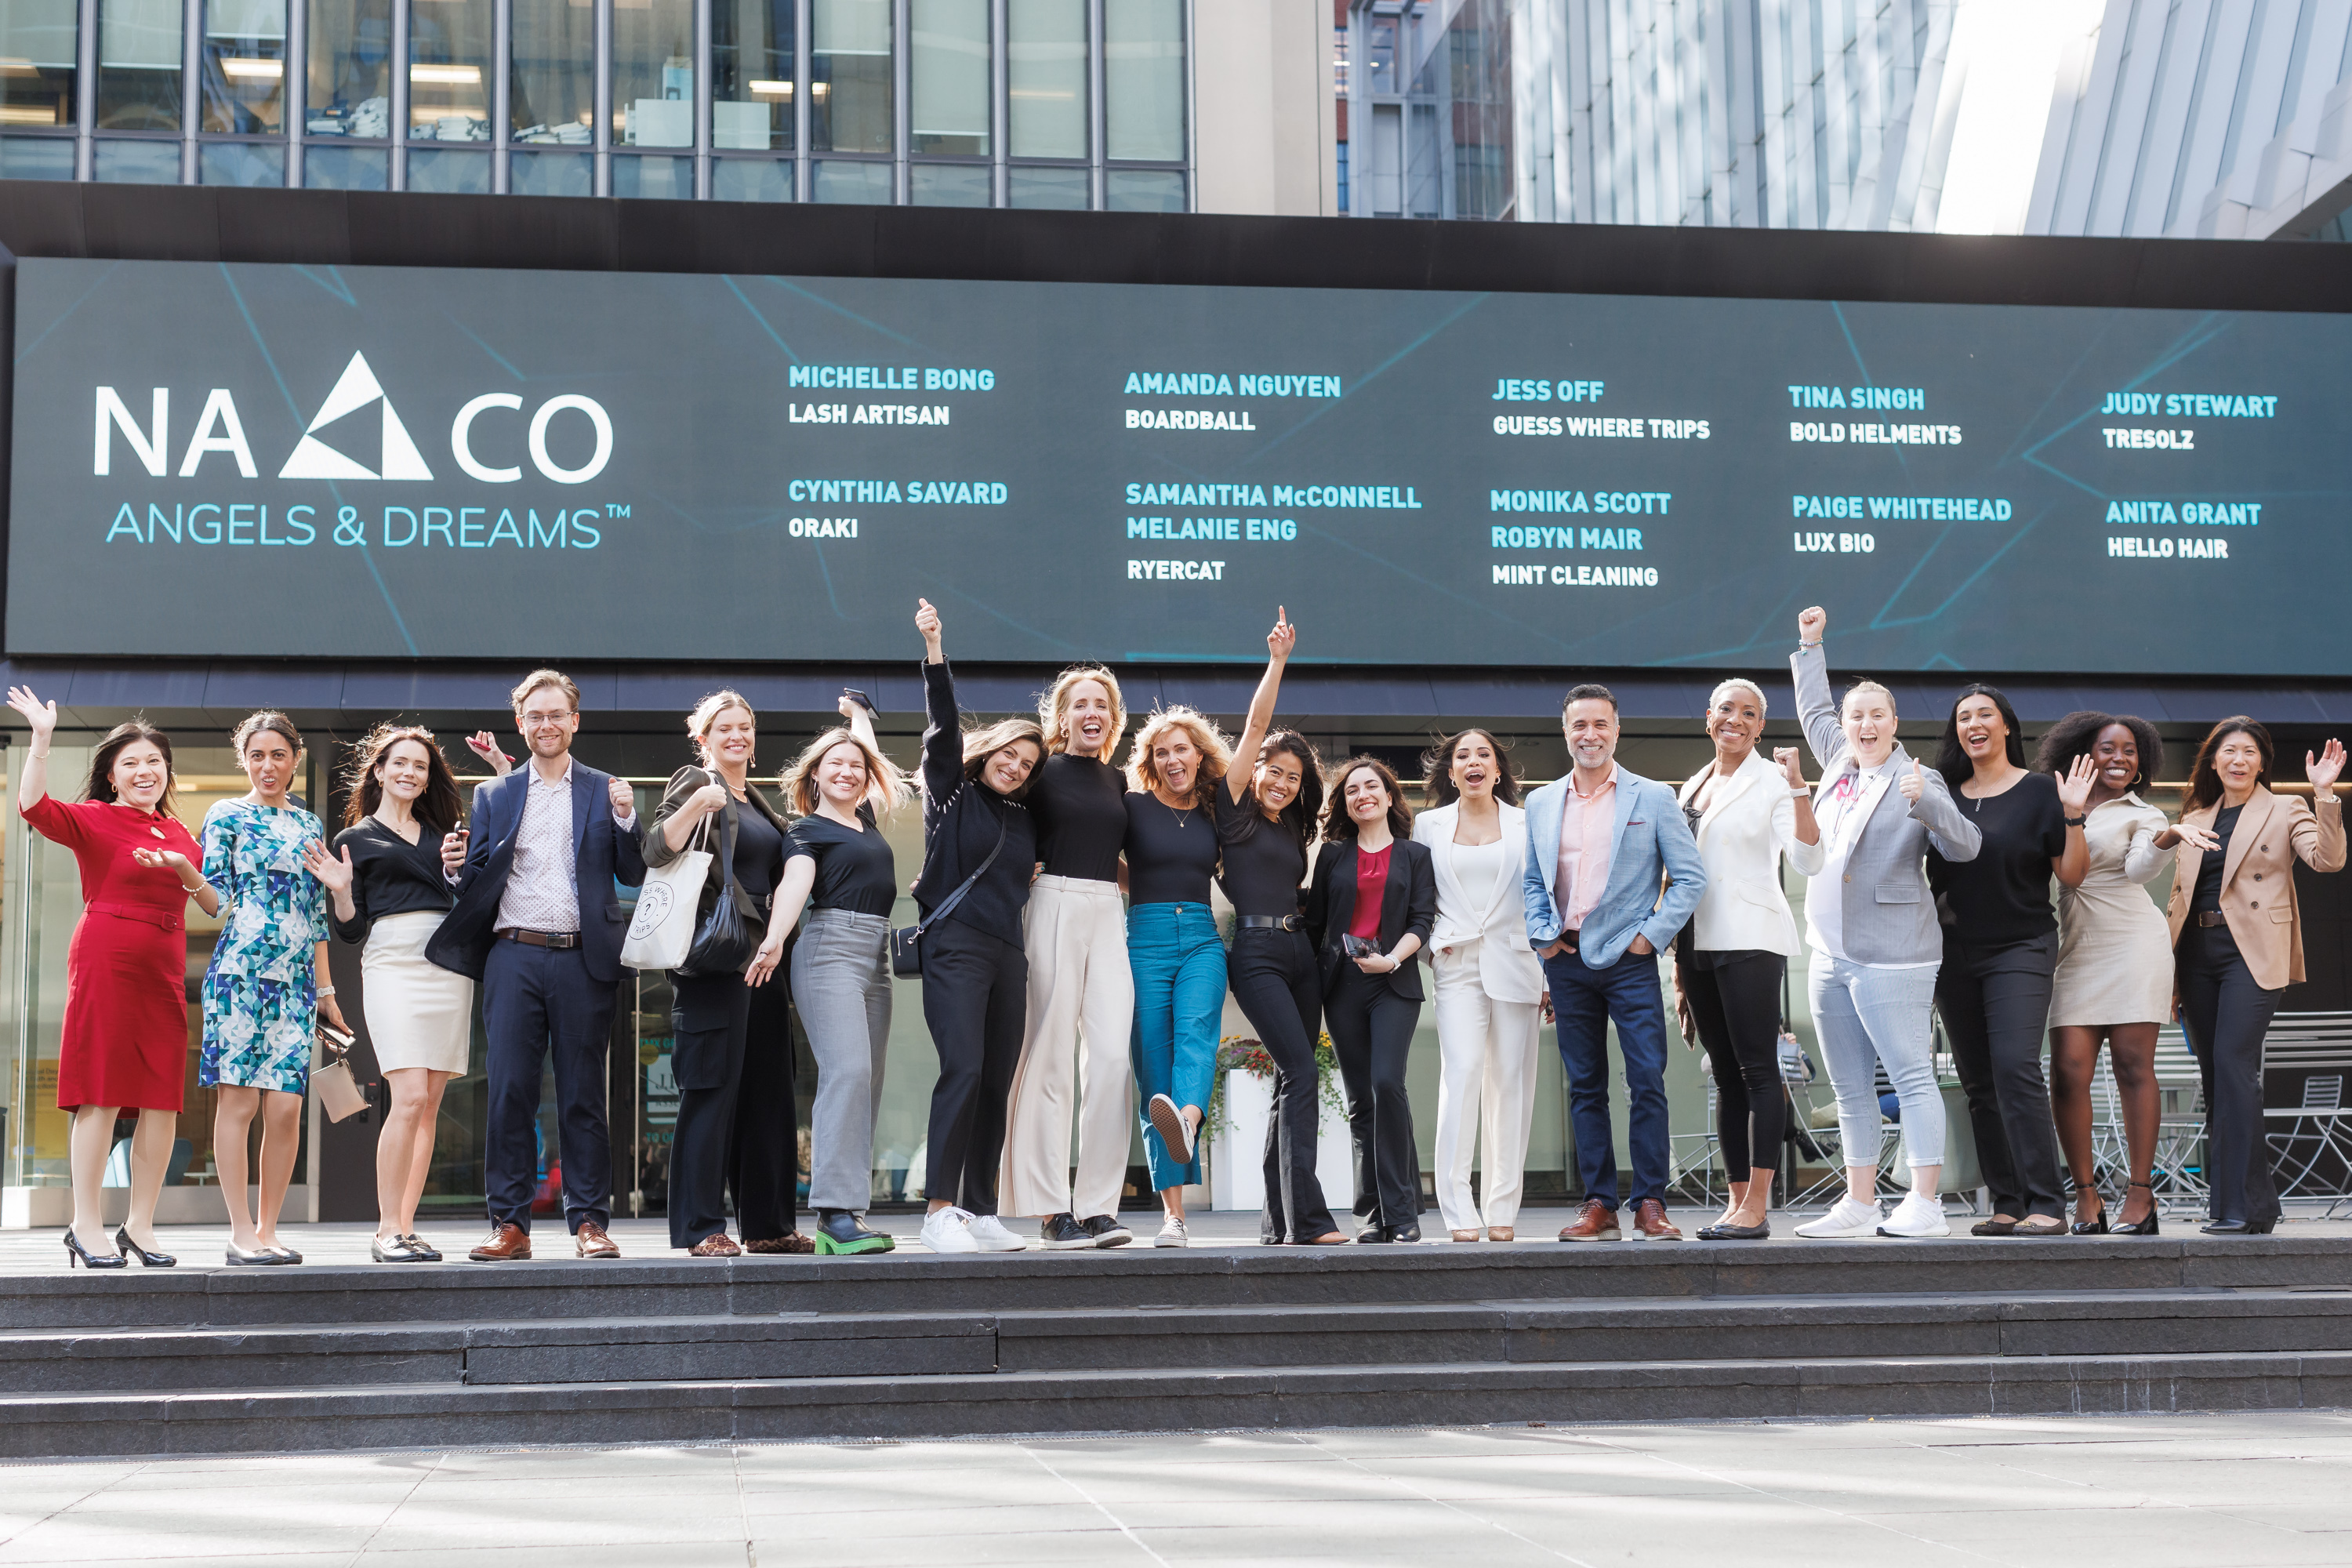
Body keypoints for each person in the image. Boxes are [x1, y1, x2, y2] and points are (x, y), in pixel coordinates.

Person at [429, 668, 645, 1262]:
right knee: (509, 1095)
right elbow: (475, 880)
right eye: (535, 716)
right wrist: (453, 869)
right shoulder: (495, 794)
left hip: (583, 958)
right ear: (520, 725)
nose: (546, 725)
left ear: (575, 721)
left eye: (557, 715)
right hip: (513, 957)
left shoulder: (605, 789)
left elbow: (635, 873)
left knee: (583, 1095)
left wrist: (628, 819)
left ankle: (590, 1224)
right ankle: (510, 1224)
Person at [5, 690, 217, 1270]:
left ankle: (141, 1227)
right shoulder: (95, 819)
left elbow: (215, 902)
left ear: (167, 770)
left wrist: (185, 869)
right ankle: (85, 1224)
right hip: (106, 956)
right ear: (112, 776)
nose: (144, 771)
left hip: (164, 968)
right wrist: (42, 741)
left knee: (161, 1102)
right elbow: (31, 806)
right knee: (100, 1093)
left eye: (153, 762)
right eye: (131, 764)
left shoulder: (178, 833)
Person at [1787, 607, 1980, 1241]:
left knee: (1910, 1076)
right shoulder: (1839, 761)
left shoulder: (1915, 779)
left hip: (1894, 955)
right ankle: (1861, 1201)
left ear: (1895, 724)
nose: (1864, 725)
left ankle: (1926, 1202)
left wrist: (1927, 804)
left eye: (1877, 715)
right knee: (1848, 1086)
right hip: (1829, 952)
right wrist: (1811, 645)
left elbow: (1966, 847)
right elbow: (1815, 711)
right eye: (1856, 716)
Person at [1525, 684, 1706, 1243]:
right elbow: (1534, 881)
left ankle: (1650, 1200)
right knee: (1585, 1085)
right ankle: (1599, 1202)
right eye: (1580, 725)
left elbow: (1690, 878)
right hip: (1567, 959)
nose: (1590, 735)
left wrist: (1649, 939)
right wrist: (1544, 939)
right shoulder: (1540, 802)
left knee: (1646, 1078)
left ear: (1617, 730)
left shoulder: (1652, 798)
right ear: (1566, 732)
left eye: (1600, 724)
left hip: (1629, 960)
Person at [2165, 719, 2346, 1235]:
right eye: (2229, 751)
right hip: (2196, 953)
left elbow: (2327, 859)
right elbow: (2179, 897)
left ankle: (2239, 1205)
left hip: (2252, 951)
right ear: (2214, 761)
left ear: (2262, 762)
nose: (2238, 759)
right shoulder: (2197, 815)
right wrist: (2173, 973)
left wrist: (2325, 795)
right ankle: (2246, 1206)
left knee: (2232, 1063)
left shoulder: (2284, 808)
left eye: (2248, 751)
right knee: (2216, 1076)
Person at [1925, 685, 2094, 1237]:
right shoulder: (1941, 793)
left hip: (2021, 946)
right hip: (1953, 951)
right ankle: (2007, 1200)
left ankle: (2047, 1201)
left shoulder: (2041, 791)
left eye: (1984, 715)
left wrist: (2073, 817)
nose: (1974, 724)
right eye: (1964, 718)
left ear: (2005, 728)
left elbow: (2070, 875)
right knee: (1978, 1081)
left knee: (2016, 1069)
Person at [306, 724, 474, 1264]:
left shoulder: (446, 831)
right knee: (406, 1098)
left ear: (428, 780)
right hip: (392, 961)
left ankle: (406, 1225)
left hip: (447, 963)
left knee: (429, 1104)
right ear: (378, 771)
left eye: (420, 766)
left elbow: (468, 898)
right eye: (399, 763)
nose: (410, 773)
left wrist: (457, 874)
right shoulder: (353, 840)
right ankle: (385, 1231)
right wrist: (340, 891)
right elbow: (351, 930)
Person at [911, 598, 1044, 1255]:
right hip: (955, 944)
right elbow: (942, 727)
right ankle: (939, 1210)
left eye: (1027, 764)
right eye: (1009, 755)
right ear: (989, 750)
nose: (1016, 767)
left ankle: (981, 1208)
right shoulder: (952, 792)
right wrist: (936, 649)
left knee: (997, 1078)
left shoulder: (1025, 818)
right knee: (961, 1068)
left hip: (1008, 952)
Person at [756, 694, 910, 1255]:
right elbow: (795, 883)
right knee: (846, 1072)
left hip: (875, 956)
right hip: (828, 951)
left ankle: (851, 1212)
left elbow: (866, 755)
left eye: (856, 766)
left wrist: (858, 721)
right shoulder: (805, 832)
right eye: (834, 765)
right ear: (815, 775)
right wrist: (775, 938)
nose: (847, 772)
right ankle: (831, 1214)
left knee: (865, 1081)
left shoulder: (864, 819)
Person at [643, 691, 796, 1257]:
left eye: (745, 727)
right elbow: (655, 850)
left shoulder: (760, 800)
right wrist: (696, 804)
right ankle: (700, 1227)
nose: (737, 735)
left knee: (767, 1091)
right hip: (718, 958)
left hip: (766, 960)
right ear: (702, 738)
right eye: (724, 727)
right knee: (710, 1092)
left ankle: (767, 1224)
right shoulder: (694, 782)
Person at [1671, 682, 1823, 1241]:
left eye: (1750, 713)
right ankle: (1736, 1204)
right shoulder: (1694, 783)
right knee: (1725, 1078)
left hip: (1751, 937)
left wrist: (1801, 787)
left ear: (1761, 727)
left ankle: (1758, 1206)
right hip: (1696, 941)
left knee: (1758, 1070)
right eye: (1727, 710)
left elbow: (1809, 858)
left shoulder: (1774, 783)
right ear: (1708, 718)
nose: (1736, 719)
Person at [1216, 612, 1345, 1247]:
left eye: (1294, 778)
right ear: (1256, 770)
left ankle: (1278, 1221)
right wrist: (1278, 662)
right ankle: (1310, 1219)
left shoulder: (1294, 828)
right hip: (1258, 952)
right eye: (1275, 771)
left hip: (1300, 951)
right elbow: (1257, 726)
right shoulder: (1233, 810)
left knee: (1292, 1079)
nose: (1282, 782)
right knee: (1300, 1069)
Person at [999, 662, 1138, 1249]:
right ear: (1061, 717)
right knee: (1050, 1057)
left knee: (1111, 1060)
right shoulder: (1041, 776)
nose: (1091, 713)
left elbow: (1115, 857)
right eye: (1080, 704)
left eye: (1101, 705)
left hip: (1109, 909)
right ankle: (1053, 1209)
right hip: (1051, 900)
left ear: (1112, 718)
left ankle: (1100, 1206)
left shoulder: (1119, 782)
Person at [198, 713, 343, 1266]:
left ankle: (269, 1229)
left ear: (295, 759)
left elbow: (316, 915)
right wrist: (187, 879)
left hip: (296, 981)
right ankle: (240, 1233)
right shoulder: (225, 814)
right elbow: (215, 897)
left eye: (278, 755)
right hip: (238, 972)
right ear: (245, 759)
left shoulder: (309, 825)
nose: (267, 766)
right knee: (238, 1102)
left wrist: (326, 990)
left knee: (285, 1109)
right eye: (257, 755)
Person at [2036, 713, 2187, 1236]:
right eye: (2108, 749)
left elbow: (2139, 870)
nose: (2120, 758)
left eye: (2130, 750)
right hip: (2074, 949)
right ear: (2084, 754)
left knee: (2131, 1064)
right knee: (2069, 1072)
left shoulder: (2143, 813)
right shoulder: (2051, 799)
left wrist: (2168, 838)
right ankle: (2086, 1196)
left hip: (2132, 943)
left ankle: (2141, 1198)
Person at [1414, 728, 1548, 1243]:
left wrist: (1548, 970)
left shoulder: (1526, 820)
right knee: (1463, 1075)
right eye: (1462, 756)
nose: (1473, 762)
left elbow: (1543, 893)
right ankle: (1457, 1206)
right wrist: (1428, 949)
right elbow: (1415, 895)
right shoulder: (1428, 825)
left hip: (1517, 963)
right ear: (1451, 773)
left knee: (1511, 1085)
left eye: (1483, 755)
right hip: (1456, 963)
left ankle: (1501, 1206)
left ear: (1497, 771)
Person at [1308, 757, 1437, 1243]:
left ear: (1388, 796)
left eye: (1371, 786)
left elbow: (1421, 921)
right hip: (1342, 986)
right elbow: (1317, 924)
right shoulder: (1332, 857)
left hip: (1394, 983)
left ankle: (1402, 1213)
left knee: (1388, 1085)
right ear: (1346, 804)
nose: (1362, 795)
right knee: (1361, 1100)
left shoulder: (1415, 855)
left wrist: (1393, 959)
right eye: (1351, 790)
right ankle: (1370, 1215)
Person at [1123, 700, 1235, 1247]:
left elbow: (1258, 730)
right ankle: (1174, 1218)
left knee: (1197, 1035)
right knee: (1154, 1068)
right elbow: (1109, 861)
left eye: (1181, 749)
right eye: (1161, 752)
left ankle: (1187, 1119)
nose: (1172, 759)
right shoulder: (1133, 807)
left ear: (1198, 755)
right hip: (1143, 938)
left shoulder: (1218, 811)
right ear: (1151, 761)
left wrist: (1277, 663)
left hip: (1200, 936)